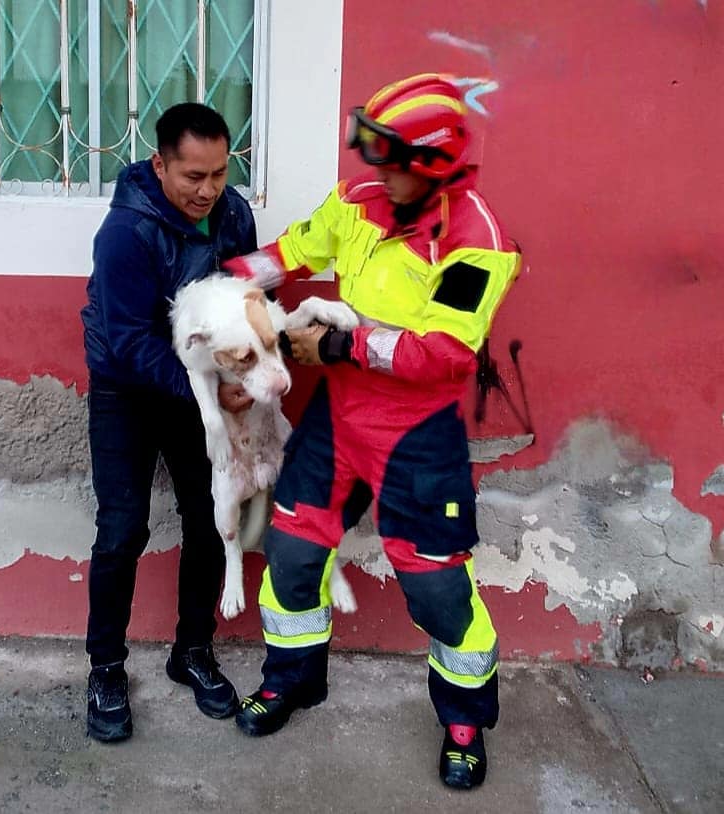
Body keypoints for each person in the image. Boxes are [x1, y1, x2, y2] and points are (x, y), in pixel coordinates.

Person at [221, 73, 522, 789]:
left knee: (437, 591)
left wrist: (339, 346)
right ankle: (293, 678)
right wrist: (226, 286)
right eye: (374, 154)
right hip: (339, 421)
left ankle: (463, 720)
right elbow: (293, 252)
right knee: (292, 551)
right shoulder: (358, 202)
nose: (377, 170)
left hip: (419, 435)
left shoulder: (477, 240)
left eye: (391, 157)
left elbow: (443, 352)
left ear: (433, 162)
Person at [80, 102, 257, 742]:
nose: (208, 191)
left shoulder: (233, 212)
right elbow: (129, 343)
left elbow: (246, 295)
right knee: (122, 528)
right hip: (127, 390)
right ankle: (105, 669)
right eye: (192, 177)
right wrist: (212, 391)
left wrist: (254, 363)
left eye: (218, 173)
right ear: (160, 165)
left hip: (200, 387)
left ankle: (192, 651)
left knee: (212, 518)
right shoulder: (125, 233)